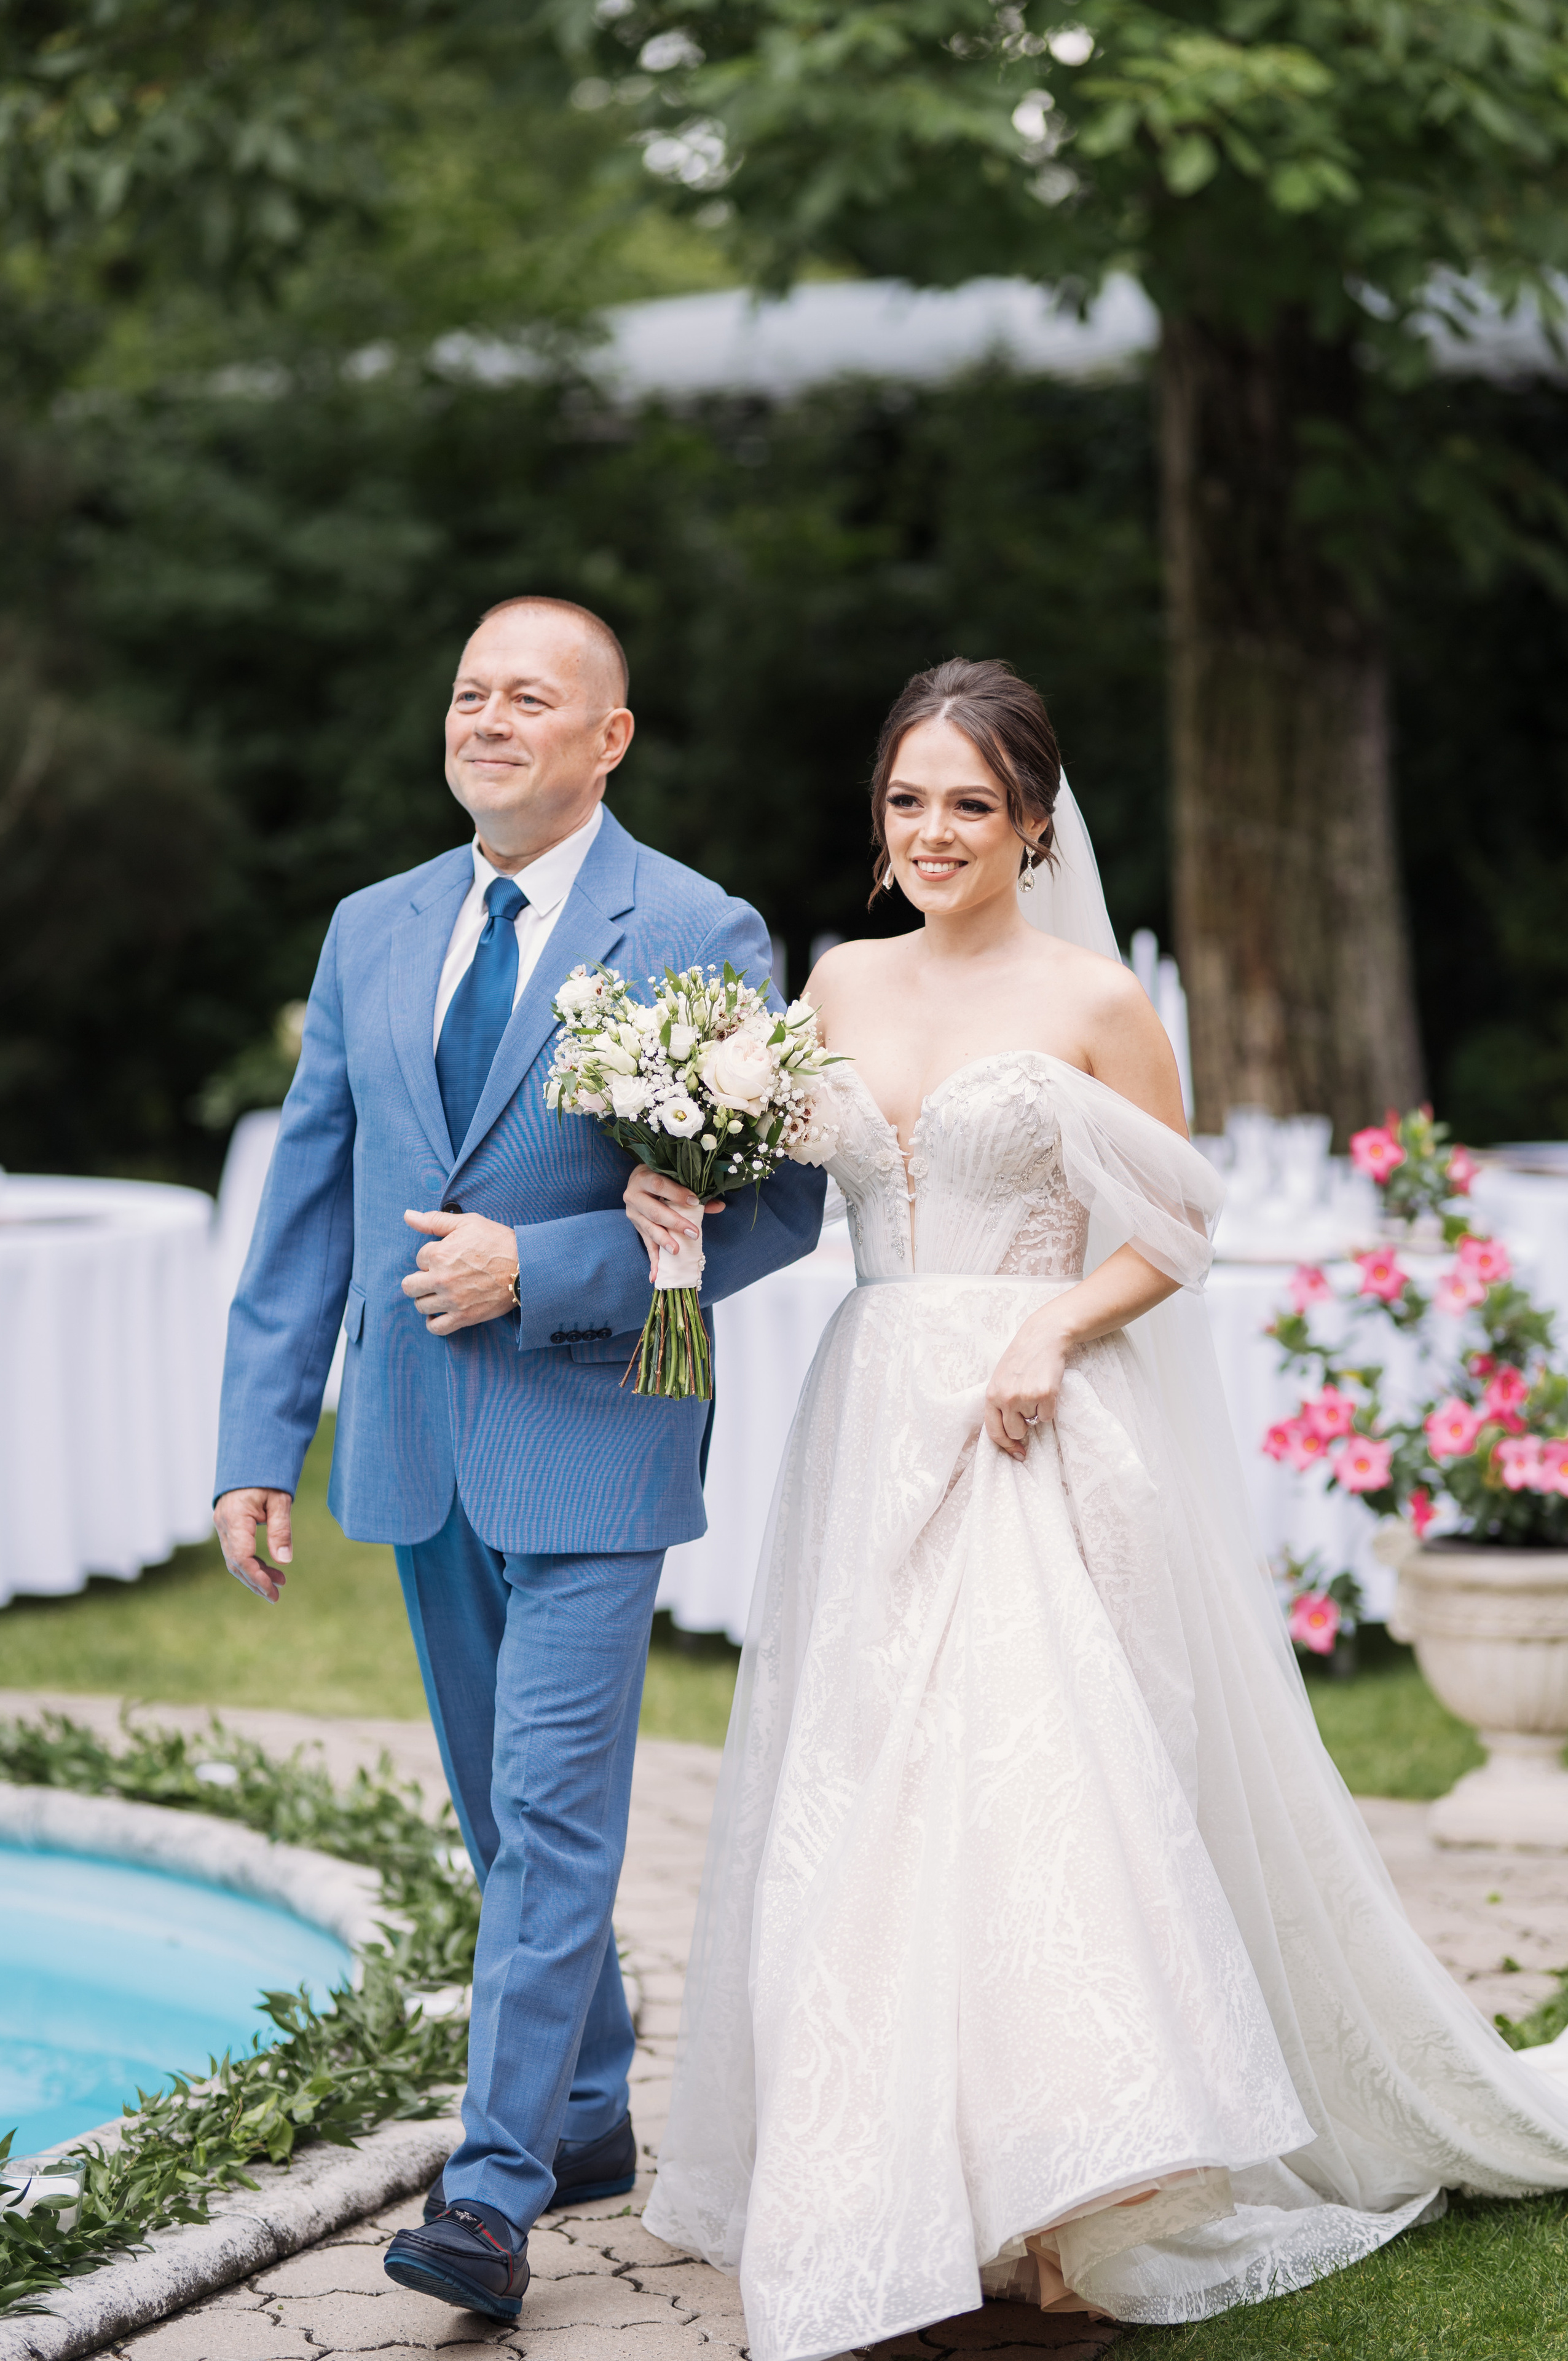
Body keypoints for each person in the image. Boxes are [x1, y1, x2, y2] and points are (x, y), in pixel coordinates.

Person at [640, 657, 1568, 2360]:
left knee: (1033, 1796)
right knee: (870, 1795)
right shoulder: (835, 981)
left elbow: (1182, 1224)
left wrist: (1054, 1328)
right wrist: (675, 1183)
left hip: (1036, 1426)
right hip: (872, 1418)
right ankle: (895, 2178)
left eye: (970, 804)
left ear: (1034, 825)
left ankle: (1072, 2205)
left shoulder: (1096, 1000)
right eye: (907, 801)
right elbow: (784, 1180)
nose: (933, 831)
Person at [212, 595, 825, 2323]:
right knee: (505, 1818)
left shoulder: (697, 926)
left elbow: (777, 1210)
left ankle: (490, 2198)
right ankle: (589, 2106)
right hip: (415, 1438)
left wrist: (539, 1268)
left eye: (529, 697)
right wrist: (259, 1441)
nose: (487, 719)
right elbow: (309, 1200)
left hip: (595, 1434)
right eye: (469, 693)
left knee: (553, 1815)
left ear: (609, 739)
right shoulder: (372, 927)